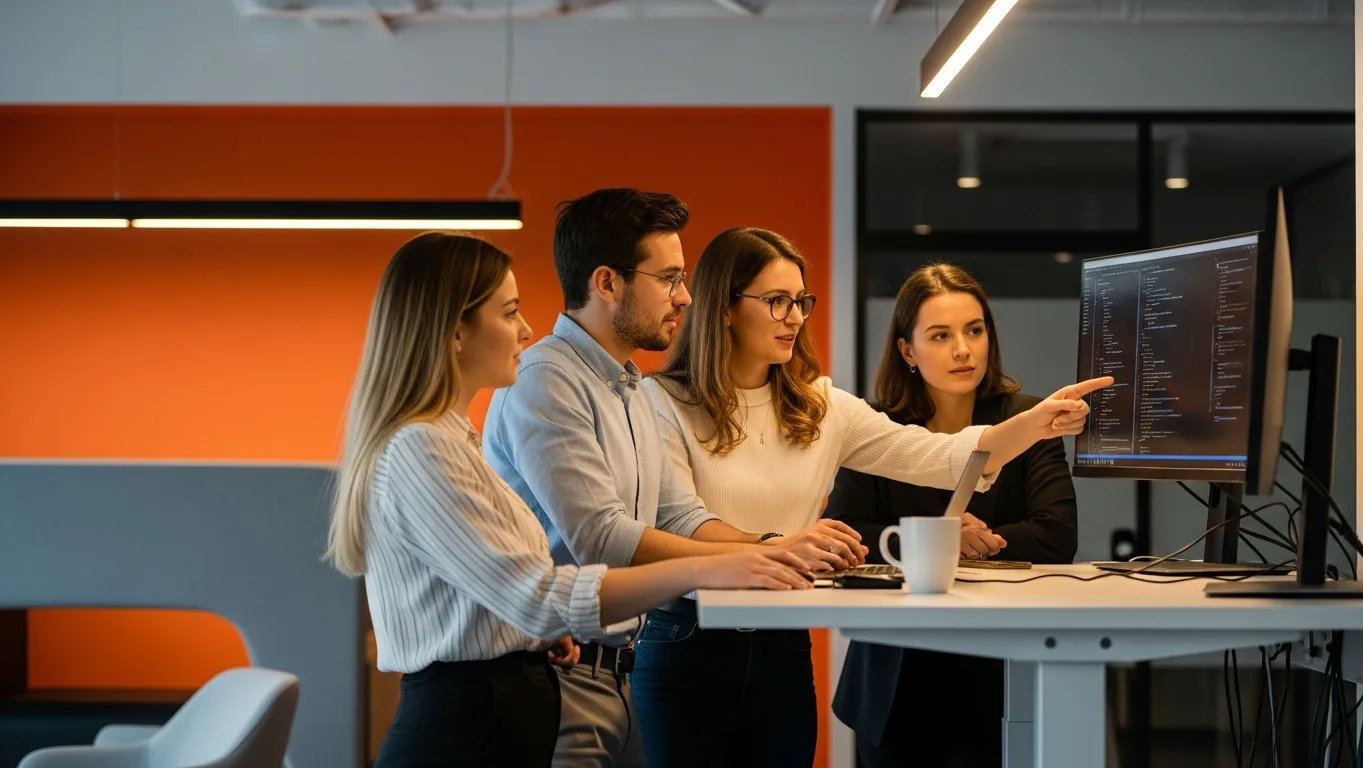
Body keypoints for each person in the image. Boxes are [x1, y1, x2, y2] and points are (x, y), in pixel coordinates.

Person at [325, 231, 815, 768]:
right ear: (455, 332)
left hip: (499, 711)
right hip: (463, 725)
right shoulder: (423, 446)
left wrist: (531, 637)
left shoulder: (453, 439)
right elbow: (538, 592)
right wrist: (702, 569)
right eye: (509, 312)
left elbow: (498, 584)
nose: (526, 329)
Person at [635, 228, 1110, 767]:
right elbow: (680, 521)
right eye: (777, 301)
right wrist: (784, 546)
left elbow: (941, 454)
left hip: (781, 646)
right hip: (685, 641)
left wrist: (1033, 423)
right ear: (723, 308)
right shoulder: (662, 401)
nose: (795, 317)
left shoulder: (821, 406)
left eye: (801, 301)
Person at [482, 190, 864, 768]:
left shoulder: (631, 384)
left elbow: (678, 514)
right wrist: (729, 565)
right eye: (668, 279)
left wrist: (775, 548)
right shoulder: (546, 379)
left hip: (619, 670)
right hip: (558, 670)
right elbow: (603, 539)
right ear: (607, 283)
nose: (685, 297)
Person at [823, 262, 1079, 768]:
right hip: (892, 673)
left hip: (998, 663)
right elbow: (845, 533)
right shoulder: (876, 427)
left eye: (975, 330)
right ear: (907, 351)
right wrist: (935, 539)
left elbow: (1055, 538)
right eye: (940, 335)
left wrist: (951, 546)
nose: (963, 350)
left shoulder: (1025, 422)